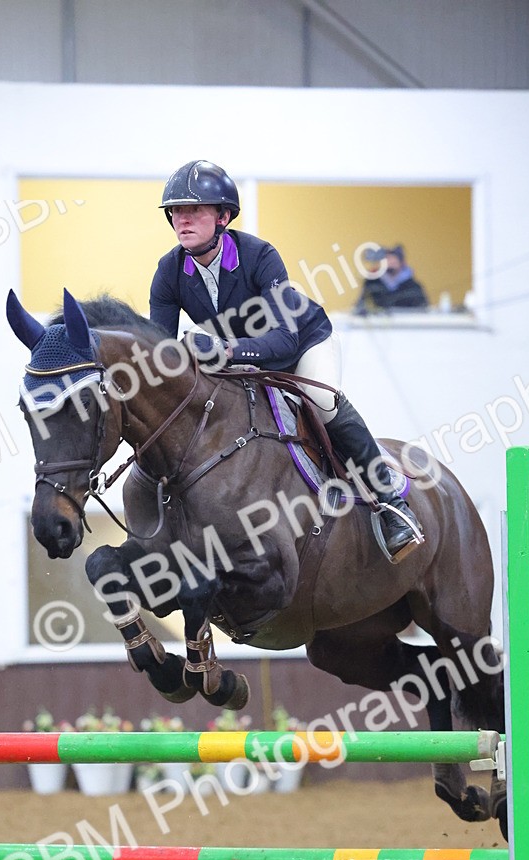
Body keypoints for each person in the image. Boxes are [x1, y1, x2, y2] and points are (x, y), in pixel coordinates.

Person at [149, 160, 423, 562]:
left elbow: (282, 338)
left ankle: (390, 503)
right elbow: (162, 351)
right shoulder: (169, 271)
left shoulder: (260, 257)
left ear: (223, 216)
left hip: (302, 343)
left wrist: (224, 351)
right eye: (176, 211)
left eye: (194, 210)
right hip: (242, 359)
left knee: (321, 403)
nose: (182, 219)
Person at [354, 245, 429, 314]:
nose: (390, 262)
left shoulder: (414, 287)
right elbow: (361, 306)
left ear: (402, 262)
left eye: (393, 258)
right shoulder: (371, 284)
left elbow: (423, 310)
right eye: (386, 258)